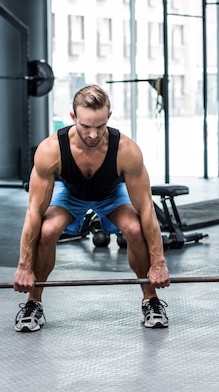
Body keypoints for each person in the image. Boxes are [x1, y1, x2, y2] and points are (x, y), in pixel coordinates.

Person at [13, 84, 170, 332]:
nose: (94, 135)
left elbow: (147, 209)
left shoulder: (126, 150)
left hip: (111, 193)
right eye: (86, 126)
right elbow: (34, 211)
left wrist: (159, 262)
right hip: (71, 193)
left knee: (134, 229)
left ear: (109, 116)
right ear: (73, 117)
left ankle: (150, 299)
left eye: (100, 126)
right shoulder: (51, 150)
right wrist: (23, 266)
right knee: (46, 231)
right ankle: (34, 303)